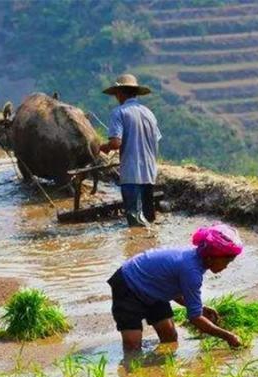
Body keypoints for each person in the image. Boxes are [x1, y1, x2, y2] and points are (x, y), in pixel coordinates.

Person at [107, 224, 244, 352]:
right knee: (133, 347)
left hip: (155, 288)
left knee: (170, 337)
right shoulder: (191, 270)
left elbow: (170, 286)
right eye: (226, 261)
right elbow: (195, 318)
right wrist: (228, 336)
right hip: (129, 284)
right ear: (210, 258)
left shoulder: (196, 261)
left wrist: (199, 307)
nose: (226, 266)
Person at [100, 74, 161, 227]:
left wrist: (104, 147)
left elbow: (115, 143)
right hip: (149, 172)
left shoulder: (119, 112)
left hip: (131, 173)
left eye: (116, 94)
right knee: (149, 216)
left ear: (120, 93)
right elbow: (156, 138)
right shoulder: (149, 113)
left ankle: (135, 244)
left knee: (134, 217)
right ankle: (151, 242)